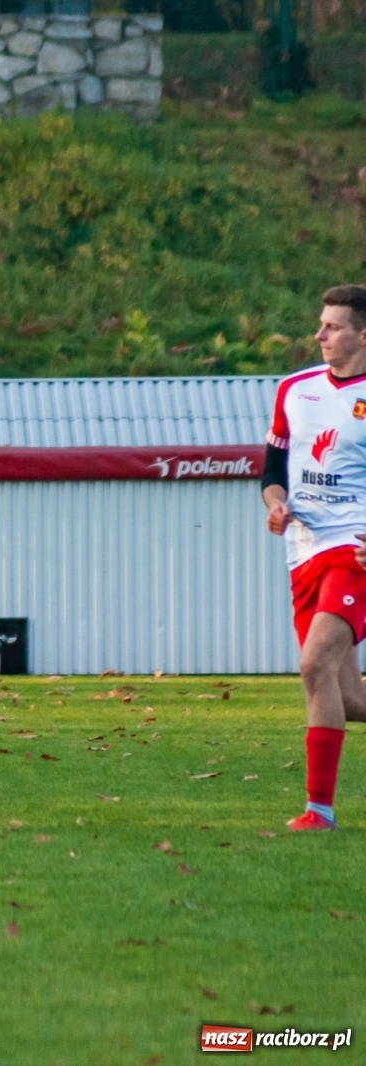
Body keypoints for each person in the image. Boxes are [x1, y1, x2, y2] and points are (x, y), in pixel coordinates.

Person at [263, 283, 366, 832]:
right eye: (320, 323)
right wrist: (276, 504)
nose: (319, 334)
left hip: (354, 552)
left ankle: (318, 812)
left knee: (313, 664)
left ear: (363, 334)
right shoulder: (294, 389)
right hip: (302, 551)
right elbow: (273, 469)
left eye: (332, 326)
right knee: (347, 698)